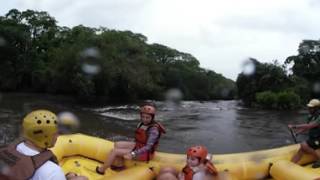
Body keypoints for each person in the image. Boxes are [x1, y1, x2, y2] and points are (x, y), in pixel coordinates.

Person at [0, 110, 87, 180]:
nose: (58, 136)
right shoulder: (52, 171)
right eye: (56, 133)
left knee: (71, 176)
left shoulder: (10, 149)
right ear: (46, 137)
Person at [96, 104, 166, 174]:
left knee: (114, 151)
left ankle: (102, 170)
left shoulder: (154, 130)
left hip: (145, 153)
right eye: (143, 117)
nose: (145, 119)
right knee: (117, 144)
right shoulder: (142, 124)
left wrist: (132, 154)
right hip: (139, 145)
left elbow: (148, 147)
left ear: (152, 117)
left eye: (147, 117)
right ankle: (120, 165)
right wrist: (128, 149)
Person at [289, 99, 320, 168]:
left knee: (303, 145)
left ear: (316, 108)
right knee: (301, 150)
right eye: (309, 107)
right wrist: (298, 133)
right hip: (314, 139)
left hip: (318, 139)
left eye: (311, 108)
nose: (309, 109)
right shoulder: (311, 116)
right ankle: (290, 166)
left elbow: (310, 126)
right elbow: (307, 127)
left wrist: (294, 126)